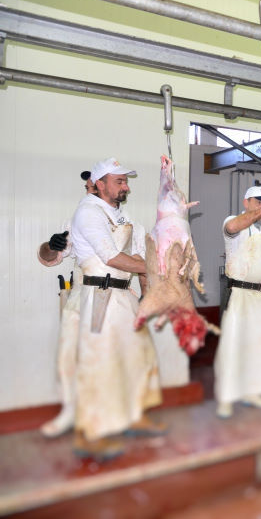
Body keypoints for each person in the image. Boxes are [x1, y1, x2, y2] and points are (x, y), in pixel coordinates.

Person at [70, 157, 163, 460]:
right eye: (120, 181)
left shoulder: (122, 217)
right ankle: (89, 435)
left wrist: (147, 293)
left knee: (138, 355)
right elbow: (110, 257)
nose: (126, 187)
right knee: (99, 362)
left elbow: (137, 257)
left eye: (126, 181)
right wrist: (155, 266)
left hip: (123, 294)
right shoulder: (88, 211)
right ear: (100, 184)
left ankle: (134, 416)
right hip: (99, 293)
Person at [215, 185, 261, 419]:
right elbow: (233, 227)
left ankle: (252, 392)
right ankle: (226, 398)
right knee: (233, 345)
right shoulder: (233, 222)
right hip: (240, 293)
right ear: (246, 202)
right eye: (258, 201)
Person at [36, 171, 96, 438]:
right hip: (81, 293)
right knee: (69, 355)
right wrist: (52, 245)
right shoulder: (77, 222)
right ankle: (70, 411)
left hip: (113, 297)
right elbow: (50, 257)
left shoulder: (125, 222)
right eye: (87, 188)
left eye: (93, 187)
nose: (88, 192)